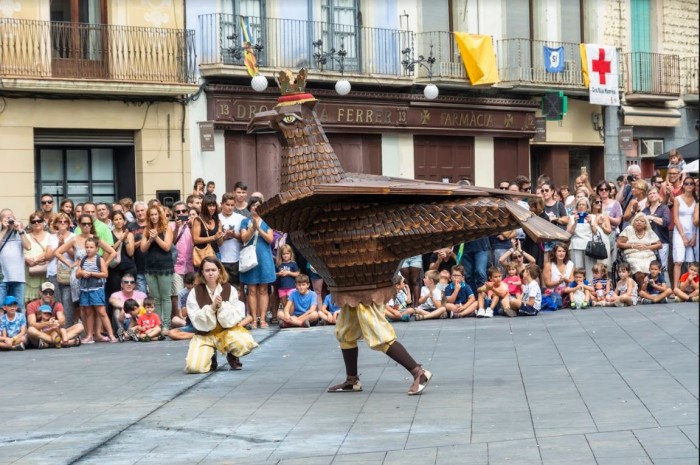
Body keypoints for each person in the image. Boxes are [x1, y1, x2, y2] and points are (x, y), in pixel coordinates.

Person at [184, 257, 257, 373]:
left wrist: (221, 307)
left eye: (213, 270)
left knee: (245, 343)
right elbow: (195, 318)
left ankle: (232, 353)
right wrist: (211, 308)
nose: (210, 273)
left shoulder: (230, 289)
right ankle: (210, 355)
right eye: (207, 270)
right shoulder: (195, 292)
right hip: (205, 334)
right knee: (194, 368)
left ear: (219, 271)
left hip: (225, 332)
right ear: (202, 272)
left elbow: (235, 315)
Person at [240, 196, 276, 328]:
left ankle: (263, 318)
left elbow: (270, 239)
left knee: (263, 289)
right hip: (250, 257)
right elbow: (244, 238)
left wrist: (259, 229)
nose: (256, 207)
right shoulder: (245, 221)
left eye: (258, 205)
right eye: (253, 205)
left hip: (264, 257)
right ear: (249, 207)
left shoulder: (267, 221)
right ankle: (254, 318)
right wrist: (252, 229)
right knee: (251, 289)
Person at [140, 204, 174, 331]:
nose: (154, 217)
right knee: (155, 298)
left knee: (165, 297)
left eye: (156, 214)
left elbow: (167, 247)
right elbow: (143, 249)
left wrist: (156, 238)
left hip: (164, 267)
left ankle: (166, 324)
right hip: (150, 267)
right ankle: (157, 325)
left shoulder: (167, 228)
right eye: (152, 215)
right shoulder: (146, 229)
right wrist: (150, 239)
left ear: (160, 215)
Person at [78, 237, 117, 343]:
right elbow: (77, 274)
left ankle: (111, 334)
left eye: (91, 247)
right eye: (87, 247)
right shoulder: (83, 260)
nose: (88, 249)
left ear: (96, 249)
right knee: (88, 312)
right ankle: (90, 335)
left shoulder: (99, 260)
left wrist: (91, 274)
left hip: (96, 289)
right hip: (85, 289)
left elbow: (105, 274)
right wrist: (82, 273)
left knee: (101, 311)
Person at [26, 282, 83, 348]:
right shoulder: (31, 305)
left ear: (53, 294)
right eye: (45, 292)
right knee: (31, 330)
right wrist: (47, 323)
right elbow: (32, 324)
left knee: (80, 326)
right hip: (41, 333)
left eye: (51, 293)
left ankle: (52, 343)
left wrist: (57, 323)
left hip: (55, 332)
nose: (48, 295)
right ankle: (63, 342)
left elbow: (62, 320)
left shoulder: (57, 304)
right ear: (40, 293)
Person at [566, 197, 609, 282]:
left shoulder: (592, 217)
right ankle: (578, 287)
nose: (581, 206)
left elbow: (595, 232)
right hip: (576, 244)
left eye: (583, 205)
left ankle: (590, 287)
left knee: (590, 269)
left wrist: (590, 223)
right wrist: (575, 223)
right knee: (578, 269)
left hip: (589, 246)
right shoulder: (571, 217)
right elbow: (568, 233)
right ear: (577, 207)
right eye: (579, 205)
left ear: (587, 207)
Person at [617, 213, 662, 289]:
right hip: (633, 255)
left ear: (645, 224)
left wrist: (647, 247)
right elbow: (619, 244)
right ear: (633, 222)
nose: (639, 222)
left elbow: (659, 245)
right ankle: (643, 291)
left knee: (650, 268)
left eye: (642, 221)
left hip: (648, 255)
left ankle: (649, 290)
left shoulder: (649, 231)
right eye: (637, 220)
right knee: (639, 271)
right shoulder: (628, 229)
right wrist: (632, 246)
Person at [48, 213, 76, 326]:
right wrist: (59, 245)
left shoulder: (73, 237)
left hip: (68, 272)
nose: (63, 223)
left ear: (69, 224)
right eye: (60, 221)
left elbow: (75, 256)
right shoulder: (51, 237)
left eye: (65, 221)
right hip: (53, 271)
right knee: (56, 302)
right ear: (56, 224)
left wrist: (64, 245)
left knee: (67, 301)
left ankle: (68, 328)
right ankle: (57, 328)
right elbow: (48, 256)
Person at [106, 210, 137, 311]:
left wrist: (126, 239)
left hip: (128, 267)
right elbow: (110, 250)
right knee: (115, 294)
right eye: (116, 219)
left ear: (124, 221)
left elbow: (131, 252)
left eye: (120, 219)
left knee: (129, 293)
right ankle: (115, 321)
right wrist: (120, 239)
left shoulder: (129, 234)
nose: (118, 221)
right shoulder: (109, 234)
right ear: (112, 221)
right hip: (114, 269)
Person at [0, 209, 31, 309]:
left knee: (19, 308)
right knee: (1, 307)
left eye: (10, 216)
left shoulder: (20, 232)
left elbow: (28, 247)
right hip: (2, 279)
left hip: (18, 278)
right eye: (5, 216)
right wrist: (4, 229)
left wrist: (20, 230)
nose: (8, 218)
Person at [672, 176, 698, 289]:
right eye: (686, 183)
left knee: (690, 262)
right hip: (679, 232)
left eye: (691, 183)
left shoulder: (697, 200)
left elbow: (697, 220)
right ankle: (675, 287)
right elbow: (676, 218)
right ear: (683, 185)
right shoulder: (677, 199)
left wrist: (694, 235)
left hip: (693, 232)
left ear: (694, 186)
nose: (689, 186)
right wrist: (682, 235)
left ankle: (688, 286)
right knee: (678, 261)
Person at [218, 193, 245, 292]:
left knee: (235, 289)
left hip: (236, 259)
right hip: (220, 258)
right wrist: (223, 237)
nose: (230, 207)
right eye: (227, 205)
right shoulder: (216, 218)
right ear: (222, 204)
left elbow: (244, 238)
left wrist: (234, 235)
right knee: (221, 288)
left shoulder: (240, 218)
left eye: (232, 205)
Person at [642, 187, 671, 279]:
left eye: (654, 193)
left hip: (662, 241)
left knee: (662, 266)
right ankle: (651, 287)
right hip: (648, 243)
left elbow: (666, 222)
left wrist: (652, 218)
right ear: (647, 197)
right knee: (649, 267)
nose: (652, 195)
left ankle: (665, 287)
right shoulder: (645, 210)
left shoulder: (664, 208)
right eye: (650, 194)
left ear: (658, 195)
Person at [24, 211, 53, 303]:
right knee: (29, 303)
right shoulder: (25, 236)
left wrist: (35, 260)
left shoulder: (50, 236)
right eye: (33, 221)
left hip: (45, 273)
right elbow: (21, 252)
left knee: (46, 303)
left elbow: (50, 253)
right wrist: (27, 260)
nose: (36, 223)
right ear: (30, 224)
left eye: (39, 220)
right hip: (29, 273)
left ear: (43, 221)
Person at [109, 273, 147, 341]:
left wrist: (125, 308)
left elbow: (139, 305)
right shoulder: (115, 294)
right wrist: (124, 308)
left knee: (138, 309)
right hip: (121, 321)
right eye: (126, 282)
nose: (129, 284)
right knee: (116, 309)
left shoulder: (141, 294)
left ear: (134, 285)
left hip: (135, 321)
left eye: (132, 282)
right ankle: (122, 332)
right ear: (121, 284)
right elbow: (112, 301)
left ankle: (127, 335)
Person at [542, 242, 574, 308]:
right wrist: (558, 282)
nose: (561, 253)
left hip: (567, 291)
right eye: (559, 251)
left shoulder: (570, 264)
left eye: (563, 251)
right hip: (553, 291)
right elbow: (547, 284)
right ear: (555, 253)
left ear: (566, 253)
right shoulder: (548, 265)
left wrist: (565, 280)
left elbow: (572, 281)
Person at [275, 244, 300, 327]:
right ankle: (287, 319)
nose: (285, 256)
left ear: (291, 254)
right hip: (282, 287)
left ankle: (291, 317)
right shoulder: (279, 264)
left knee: (291, 303)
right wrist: (279, 274)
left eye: (287, 254)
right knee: (284, 303)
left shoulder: (293, 263)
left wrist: (289, 273)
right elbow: (274, 274)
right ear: (281, 255)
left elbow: (297, 273)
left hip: (291, 287)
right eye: (284, 254)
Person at [128, 201, 149, 294]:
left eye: (142, 210)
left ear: (146, 210)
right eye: (137, 211)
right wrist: (144, 241)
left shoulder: (152, 224)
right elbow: (130, 247)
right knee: (141, 295)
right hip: (138, 266)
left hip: (153, 266)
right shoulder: (130, 226)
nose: (140, 213)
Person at [168, 272, 196, 340]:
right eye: (188, 288)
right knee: (171, 332)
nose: (190, 290)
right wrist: (191, 300)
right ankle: (196, 335)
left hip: (204, 323)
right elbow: (183, 314)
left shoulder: (204, 292)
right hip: (191, 324)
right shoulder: (184, 295)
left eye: (192, 288)